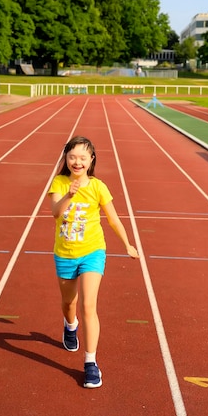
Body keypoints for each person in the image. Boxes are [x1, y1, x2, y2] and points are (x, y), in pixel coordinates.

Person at [48, 136, 139, 388]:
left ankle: (90, 363)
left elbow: (113, 219)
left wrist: (127, 244)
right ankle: (70, 325)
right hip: (65, 253)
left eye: (82, 157)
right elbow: (56, 213)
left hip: (93, 251)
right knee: (70, 303)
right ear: (66, 159)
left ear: (91, 160)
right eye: (72, 157)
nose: (77, 162)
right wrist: (69, 194)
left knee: (88, 304)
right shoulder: (59, 182)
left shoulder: (98, 186)